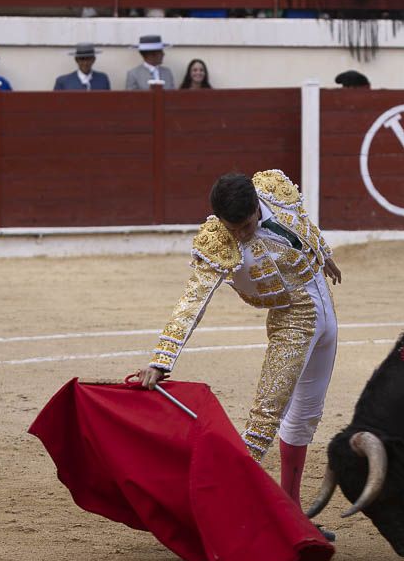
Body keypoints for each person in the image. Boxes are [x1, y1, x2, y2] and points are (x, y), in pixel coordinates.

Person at [138, 171, 342, 538]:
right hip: (292, 320)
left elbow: (301, 219)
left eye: (247, 226)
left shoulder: (273, 190)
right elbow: (192, 301)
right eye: (234, 229)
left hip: (326, 309)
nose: (241, 235)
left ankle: (291, 512)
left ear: (256, 207)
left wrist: (323, 254)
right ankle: (211, 513)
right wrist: (161, 358)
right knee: (264, 421)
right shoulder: (217, 241)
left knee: (306, 415)